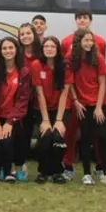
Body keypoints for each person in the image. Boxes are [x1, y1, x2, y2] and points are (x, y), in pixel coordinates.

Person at [61, 10, 106, 180]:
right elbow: (67, 73)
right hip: (75, 100)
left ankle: (100, 166)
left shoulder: (100, 42)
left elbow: (100, 75)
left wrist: (99, 104)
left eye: (85, 18)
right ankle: (68, 164)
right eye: (79, 18)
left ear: (90, 20)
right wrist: (74, 99)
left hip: (94, 100)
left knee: (96, 135)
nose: (82, 20)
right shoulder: (66, 42)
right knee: (71, 133)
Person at [0, 37, 33, 183]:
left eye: (11, 48)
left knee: (8, 140)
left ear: (16, 50)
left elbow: (23, 99)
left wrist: (10, 121)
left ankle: (8, 172)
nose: (8, 51)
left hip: (13, 116)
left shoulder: (23, 72)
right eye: (4, 48)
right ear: (0, 51)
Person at [68, 28, 106, 187]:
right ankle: (87, 174)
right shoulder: (71, 58)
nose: (89, 43)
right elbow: (70, 83)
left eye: (91, 40)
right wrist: (76, 101)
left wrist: (99, 107)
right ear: (78, 42)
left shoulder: (98, 58)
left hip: (98, 105)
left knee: (103, 137)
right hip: (81, 105)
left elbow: (103, 83)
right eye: (86, 40)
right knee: (85, 139)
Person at [34, 36, 72, 184]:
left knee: (58, 137)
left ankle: (57, 171)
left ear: (57, 49)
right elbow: (39, 93)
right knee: (45, 136)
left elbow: (65, 93)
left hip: (61, 109)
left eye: (52, 46)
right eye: (46, 46)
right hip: (42, 109)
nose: (49, 49)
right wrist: (45, 120)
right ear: (42, 49)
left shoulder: (65, 66)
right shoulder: (37, 65)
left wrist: (59, 120)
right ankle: (43, 171)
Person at [13, 23, 42, 182]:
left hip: (37, 100)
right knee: (19, 134)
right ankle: (19, 165)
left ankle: (45, 168)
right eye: (22, 34)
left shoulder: (41, 53)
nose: (25, 36)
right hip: (18, 100)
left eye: (28, 33)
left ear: (34, 35)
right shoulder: (16, 53)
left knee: (32, 134)